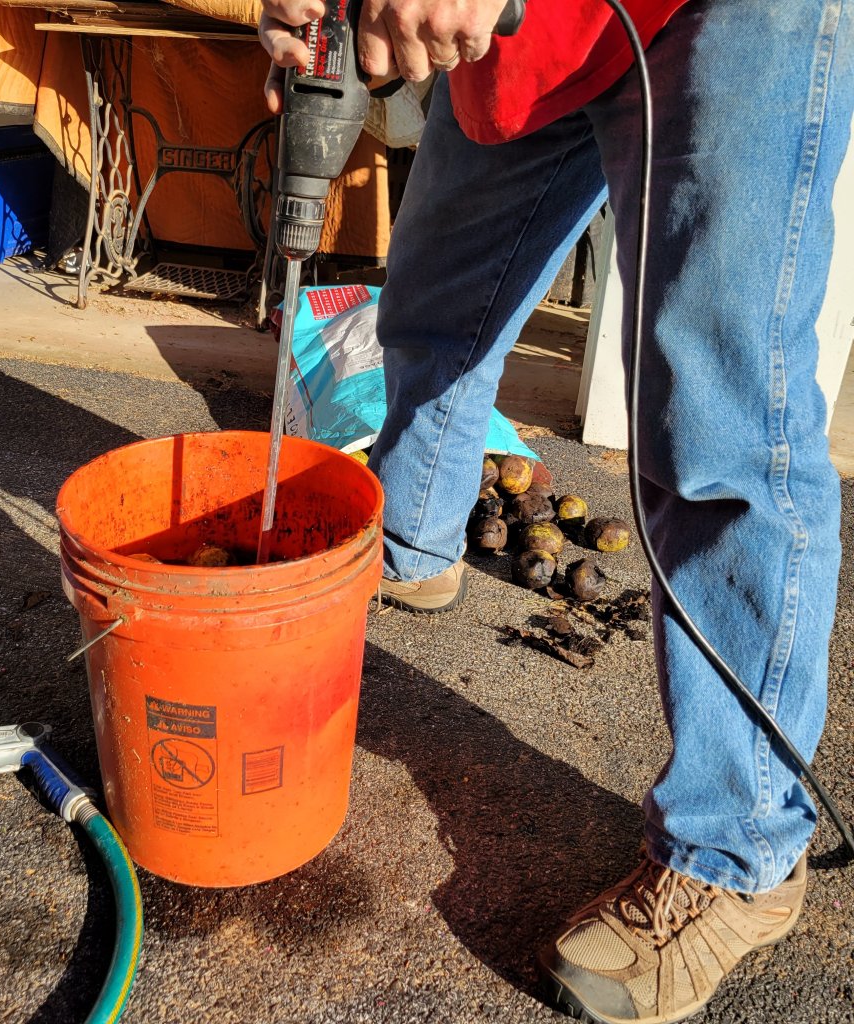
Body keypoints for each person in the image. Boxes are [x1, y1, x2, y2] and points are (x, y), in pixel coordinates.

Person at [259, 1, 853, 1020]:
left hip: (725, 18)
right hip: (527, 38)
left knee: (712, 412)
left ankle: (741, 847)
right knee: (436, 303)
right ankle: (410, 543)